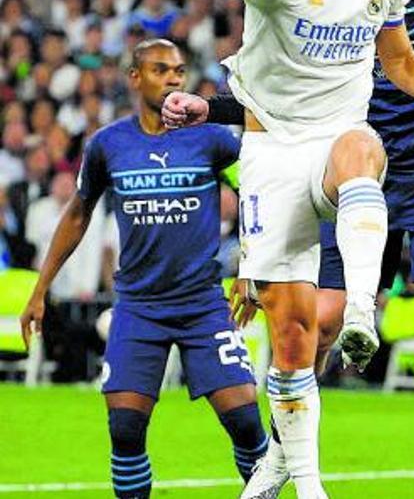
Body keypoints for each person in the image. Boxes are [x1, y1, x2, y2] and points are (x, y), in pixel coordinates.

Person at [92, 0, 414, 496]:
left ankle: (362, 309)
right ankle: (294, 474)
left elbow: (400, 61)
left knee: (362, 151)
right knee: (296, 333)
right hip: (272, 156)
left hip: (350, 149)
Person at [19, 39, 268, 499]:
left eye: (178, 70)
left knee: (246, 422)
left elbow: (255, 194)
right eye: (160, 70)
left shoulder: (213, 139)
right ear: (135, 78)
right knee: (126, 431)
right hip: (138, 307)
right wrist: (40, 289)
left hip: (202, 304)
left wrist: (253, 266)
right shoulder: (108, 145)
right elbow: (77, 214)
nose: (173, 78)